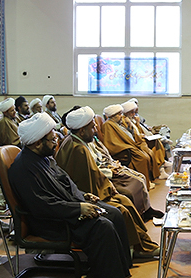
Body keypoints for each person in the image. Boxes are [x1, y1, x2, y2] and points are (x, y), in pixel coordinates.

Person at [8, 113, 141, 278]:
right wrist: (78, 208)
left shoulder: (43, 157)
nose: (56, 141)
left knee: (113, 213)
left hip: (66, 209)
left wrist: (83, 197)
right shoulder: (22, 169)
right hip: (51, 222)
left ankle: (118, 270)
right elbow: (41, 206)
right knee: (102, 226)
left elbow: (66, 182)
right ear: (37, 143)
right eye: (52, 138)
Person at [56, 106, 159, 256]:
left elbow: (93, 176)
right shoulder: (78, 149)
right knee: (122, 208)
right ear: (82, 130)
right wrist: (110, 189)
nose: (97, 128)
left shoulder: (76, 141)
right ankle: (135, 248)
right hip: (86, 197)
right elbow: (87, 183)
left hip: (95, 189)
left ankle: (140, 244)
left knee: (125, 201)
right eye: (92, 127)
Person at [89, 123, 161, 220]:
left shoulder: (92, 140)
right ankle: (139, 214)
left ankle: (147, 209)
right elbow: (113, 145)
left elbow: (104, 155)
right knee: (135, 183)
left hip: (111, 165)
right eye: (92, 126)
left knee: (141, 177)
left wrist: (113, 163)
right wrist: (110, 169)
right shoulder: (108, 126)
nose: (96, 127)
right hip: (106, 172)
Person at [100, 104, 155, 184]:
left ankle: (147, 180)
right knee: (142, 158)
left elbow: (127, 135)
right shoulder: (108, 125)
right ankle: (144, 183)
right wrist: (128, 147)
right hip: (125, 149)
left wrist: (130, 127)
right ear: (112, 116)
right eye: (119, 114)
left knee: (146, 154)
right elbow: (112, 143)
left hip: (131, 145)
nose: (121, 116)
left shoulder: (118, 123)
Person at [121, 101, 169, 179]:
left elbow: (138, 130)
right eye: (132, 112)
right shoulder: (125, 121)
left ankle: (161, 167)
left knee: (156, 141)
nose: (134, 114)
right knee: (152, 146)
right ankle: (160, 169)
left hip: (140, 139)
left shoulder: (132, 119)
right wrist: (139, 136)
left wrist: (137, 123)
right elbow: (130, 135)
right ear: (127, 112)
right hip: (136, 143)